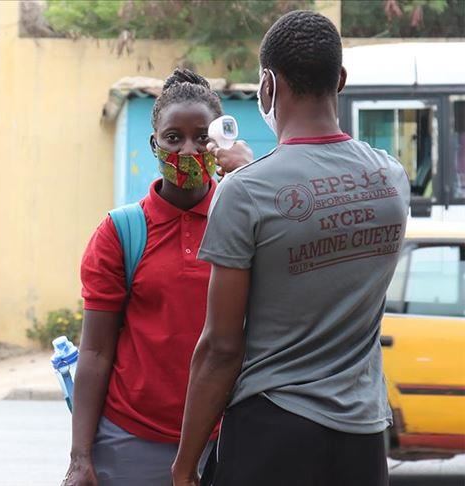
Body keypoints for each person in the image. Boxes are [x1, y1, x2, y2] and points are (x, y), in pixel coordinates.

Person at [171, 10, 410, 486]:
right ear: (340, 80)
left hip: (271, 433)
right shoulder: (391, 179)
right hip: (363, 441)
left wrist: (184, 465)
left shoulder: (245, 192)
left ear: (267, 85)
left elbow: (221, 348)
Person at [62, 68, 252, 486]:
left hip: (225, 439)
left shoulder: (245, 220)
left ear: (220, 142)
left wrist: (250, 180)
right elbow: (95, 350)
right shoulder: (120, 233)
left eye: (201, 137)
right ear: (154, 144)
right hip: (131, 442)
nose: (188, 150)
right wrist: (80, 457)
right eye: (173, 138)